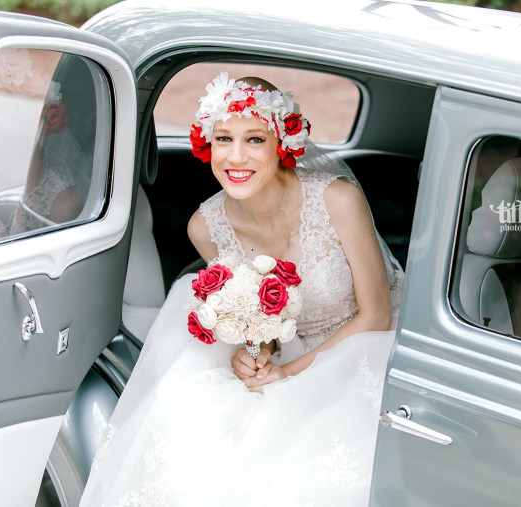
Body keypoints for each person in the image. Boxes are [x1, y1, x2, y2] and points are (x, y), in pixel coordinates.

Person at [80, 73, 404, 506]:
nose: (236, 157)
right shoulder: (205, 226)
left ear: (281, 143)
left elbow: (376, 315)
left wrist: (289, 372)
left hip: (367, 343)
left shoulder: (338, 200)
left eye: (254, 139)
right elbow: (256, 312)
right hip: (290, 348)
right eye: (223, 139)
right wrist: (258, 352)